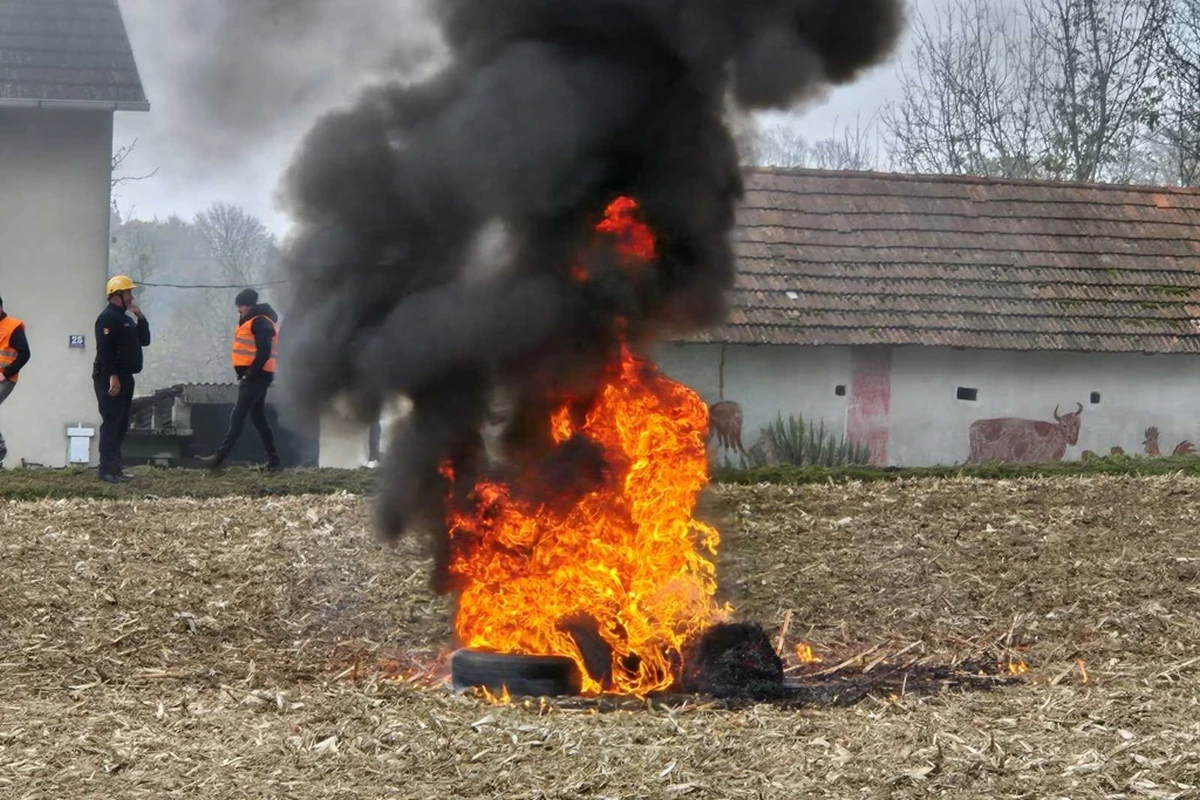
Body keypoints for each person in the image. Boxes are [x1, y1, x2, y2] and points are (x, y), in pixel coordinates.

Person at [198, 288, 282, 471]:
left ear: (249, 306)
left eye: (241, 306)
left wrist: (250, 372)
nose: (238, 309)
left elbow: (264, 351)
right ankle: (274, 461)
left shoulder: (260, 322)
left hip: (257, 377)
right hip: (257, 376)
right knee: (258, 418)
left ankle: (219, 457)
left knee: (238, 416)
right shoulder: (253, 321)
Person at [93, 275, 150, 483]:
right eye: (128, 293)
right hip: (110, 378)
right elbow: (104, 350)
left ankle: (116, 469)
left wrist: (141, 318)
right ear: (117, 295)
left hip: (126, 376)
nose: (131, 297)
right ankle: (106, 470)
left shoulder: (126, 319)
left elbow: (144, 340)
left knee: (122, 424)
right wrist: (112, 376)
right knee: (112, 422)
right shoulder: (107, 318)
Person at [0, 294, 32, 467]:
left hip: (5, 378)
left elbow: (25, 354)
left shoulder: (13, 327)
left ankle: (0, 450)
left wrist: (5, 373)